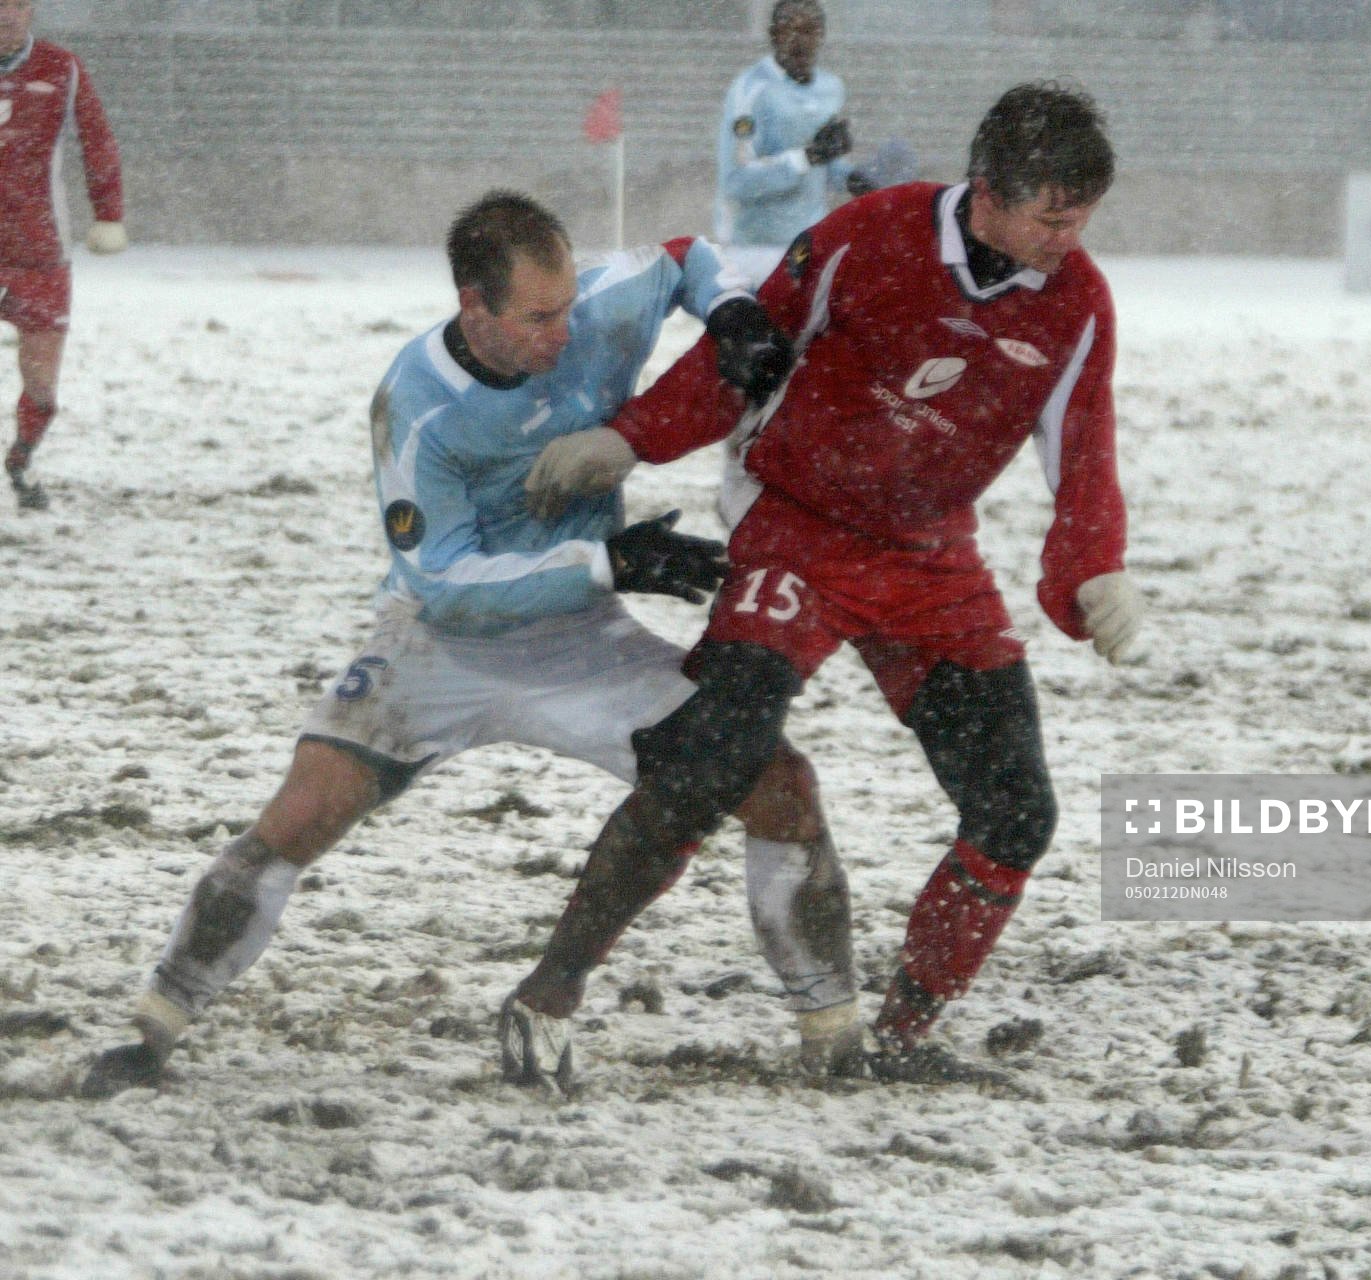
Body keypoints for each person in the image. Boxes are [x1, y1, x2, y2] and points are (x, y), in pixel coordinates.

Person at [80, 191, 854, 1100]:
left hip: (580, 639)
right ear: (471, 305)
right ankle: (154, 1028)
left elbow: (684, 255)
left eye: (567, 309)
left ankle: (836, 1039)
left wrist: (728, 312)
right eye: (536, 319)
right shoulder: (416, 406)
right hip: (442, 643)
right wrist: (604, 561)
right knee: (300, 817)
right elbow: (444, 580)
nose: (563, 336)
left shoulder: (594, 305)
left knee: (778, 783)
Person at [508, 82, 1145, 1080]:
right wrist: (628, 439)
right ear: (987, 193)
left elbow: (1086, 452)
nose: (1069, 241)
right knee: (710, 756)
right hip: (801, 534)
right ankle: (551, 986)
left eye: (1083, 219)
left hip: (933, 562)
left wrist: (1093, 574)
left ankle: (900, 1037)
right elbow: (744, 354)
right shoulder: (873, 233)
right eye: (1052, 218)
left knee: (1018, 809)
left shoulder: (1078, 306)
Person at [0, 0, 126, 512]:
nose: (4, 14)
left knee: (44, 388)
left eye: (15, 3)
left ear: (30, 10)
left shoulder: (60, 67)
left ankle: (21, 460)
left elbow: (98, 143)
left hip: (38, 251)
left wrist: (109, 213)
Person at [714, 0, 912, 285]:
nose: (800, 41)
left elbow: (823, 169)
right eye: (789, 30)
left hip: (808, 247)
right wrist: (807, 157)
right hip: (753, 249)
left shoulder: (830, 89)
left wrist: (858, 181)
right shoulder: (752, 90)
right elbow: (736, 182)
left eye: (809, 31)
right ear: (773, 35)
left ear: (822, 35)